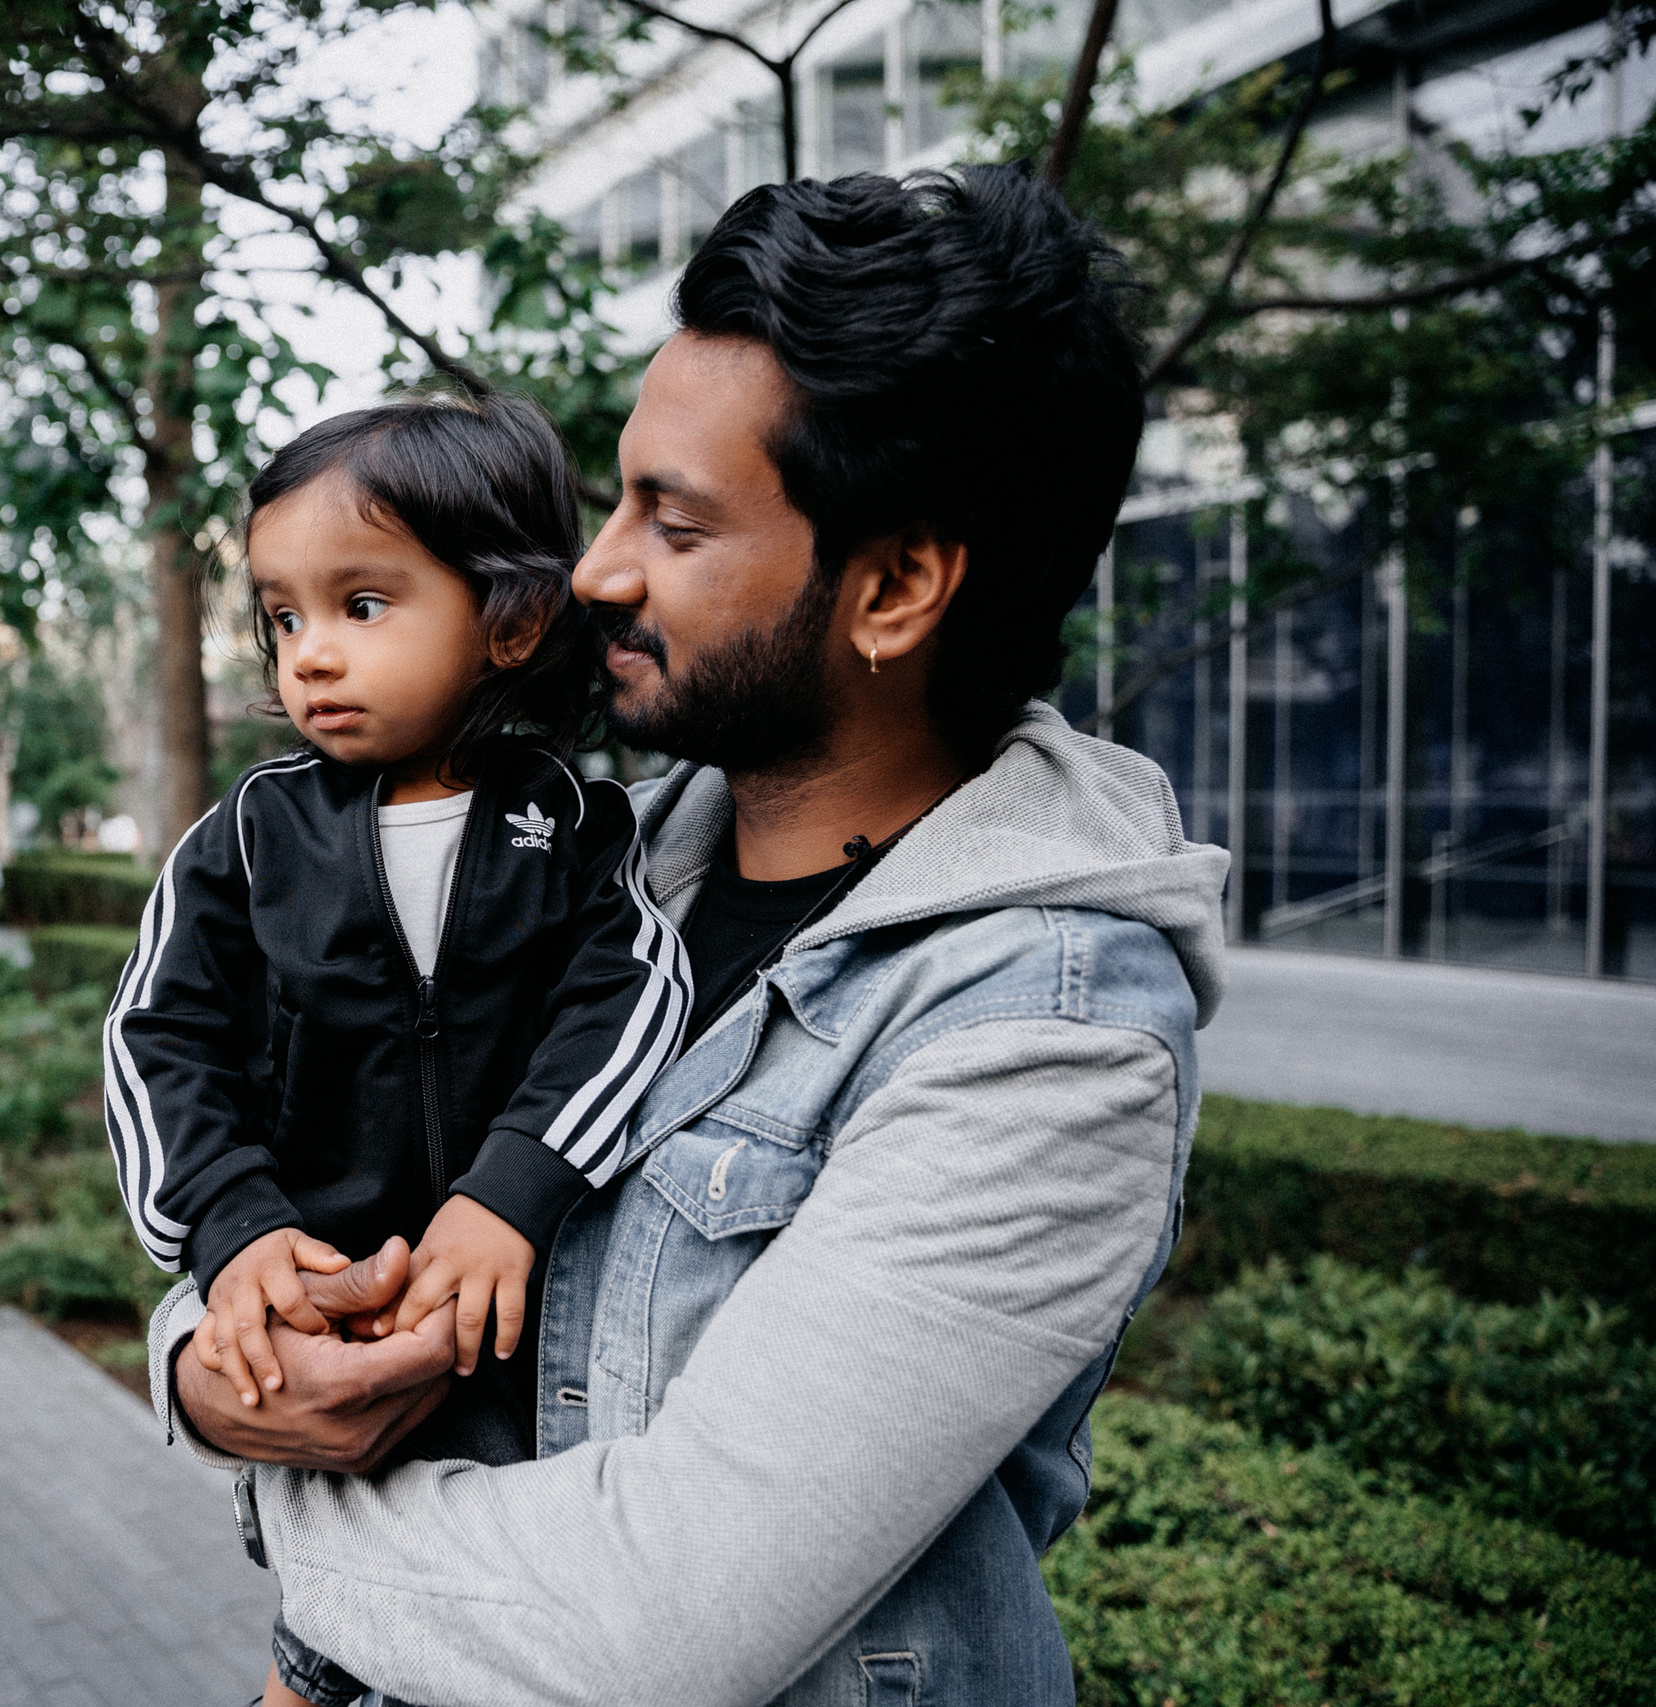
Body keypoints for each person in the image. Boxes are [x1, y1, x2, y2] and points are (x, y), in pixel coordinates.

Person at [148, 167, 1231, 1706]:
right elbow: (294, 1154)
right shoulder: (585, 864)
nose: (595, 569)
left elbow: (658, 1622)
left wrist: (281, 1486)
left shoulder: (1045, 1035)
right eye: (616, 500)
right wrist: (216, 1362)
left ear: (895, 587)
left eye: (674, 519)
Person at [103, 391, 691, 1707]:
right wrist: (231, 1230)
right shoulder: (248, 838)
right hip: (325, 1308)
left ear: (512, 623)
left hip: (512, 1334)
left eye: (361, 605)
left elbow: (629, 997)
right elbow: (158, 1036)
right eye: (283, 617)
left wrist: (511, 1194)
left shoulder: (573, 826)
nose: (309, 655)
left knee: (498, 1613)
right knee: (336, 1614)